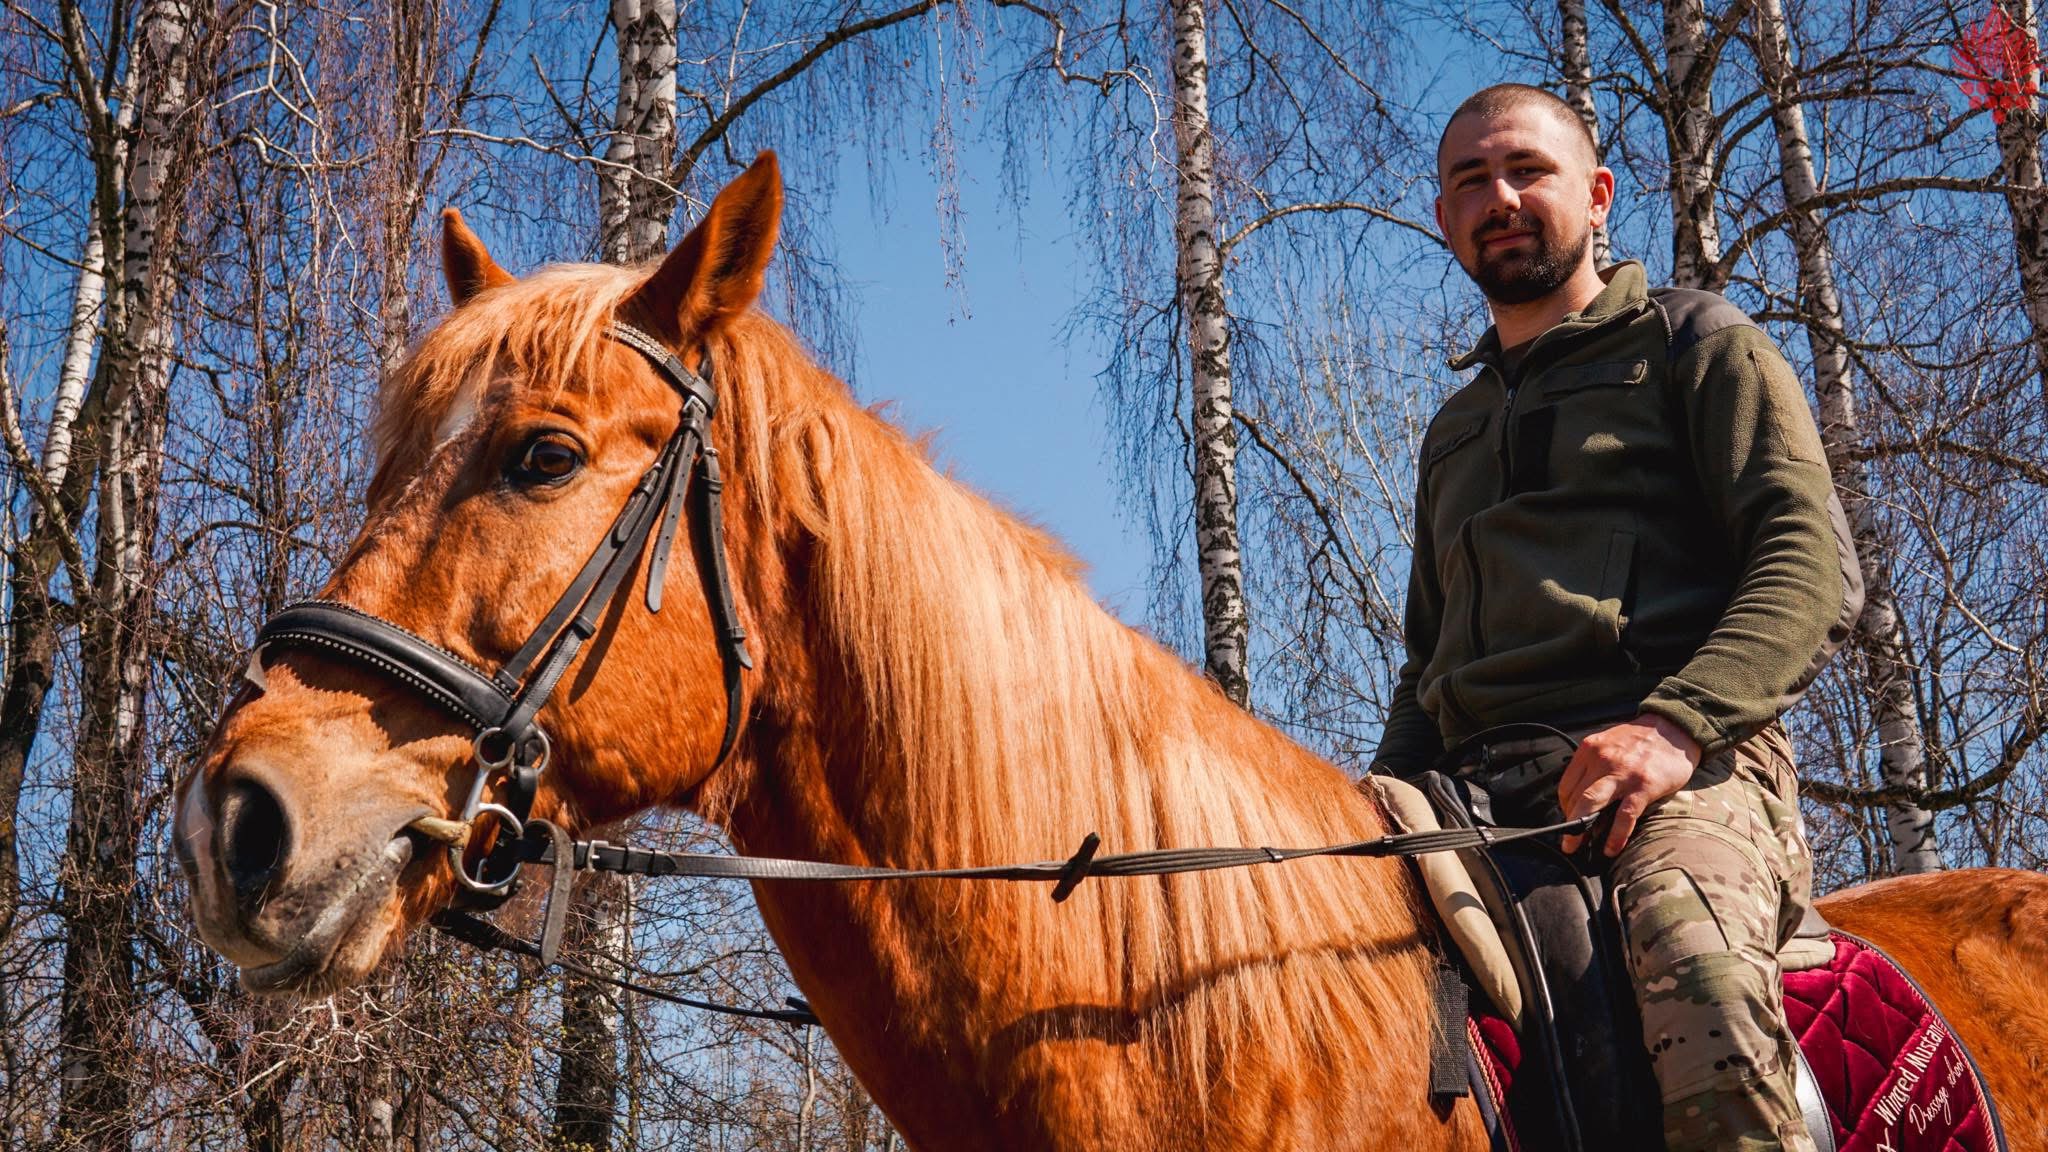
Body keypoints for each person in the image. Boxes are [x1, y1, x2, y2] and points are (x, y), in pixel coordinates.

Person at [1371, 83, 1861, 1152]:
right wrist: (1367, 803)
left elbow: (1806, 561)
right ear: (1443, 220)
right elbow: (1424, 661)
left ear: (1594, 196)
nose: (1498, 197)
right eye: (1469, 183)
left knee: (1696, 987)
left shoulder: (1693, 342)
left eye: (1525, 172)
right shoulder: (1451, 432)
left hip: (1688, 766)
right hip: (1469, 789)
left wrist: (1673, 726)